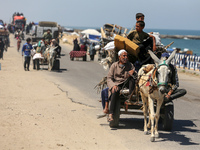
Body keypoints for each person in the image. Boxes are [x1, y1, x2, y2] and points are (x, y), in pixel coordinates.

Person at [107, 49, 136, 121]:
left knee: (132, 79)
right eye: (124, 56)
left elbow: (135, 74)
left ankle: (130, 97)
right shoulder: (114, 65)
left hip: (127, 84)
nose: (126, 57)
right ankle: (111, 114)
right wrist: (113, 85)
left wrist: (133, 72)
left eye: (126, 56)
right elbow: (109, 78)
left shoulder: (130, 65)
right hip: (117, 84)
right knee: (115, 91)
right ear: (119, 57)